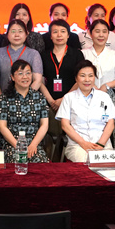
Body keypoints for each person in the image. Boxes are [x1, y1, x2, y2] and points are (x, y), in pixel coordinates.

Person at [57, 60, 115, 163]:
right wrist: (83, 143)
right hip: (78, 145)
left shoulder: (104, 97)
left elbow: (110, 123)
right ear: (76, 78)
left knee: (107, 165)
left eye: (90, 76)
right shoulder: (68, 98)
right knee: (85, 162)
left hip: (102, 144)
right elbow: (65, 125)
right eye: (82, 76)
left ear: (95, 78)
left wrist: (100, 144)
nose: (87, 80)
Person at [39, 19, 84, 160]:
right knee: (51, 138)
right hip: (49, 103)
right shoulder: (44, 55)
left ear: (68, 35)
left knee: (69, 138)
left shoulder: (77, 54)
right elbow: (39, 80)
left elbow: (80, 79)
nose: (59, 35)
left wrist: (64, 99)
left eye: (63, 31)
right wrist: (51, 100)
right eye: (55, 32)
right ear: (50, 36)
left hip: (71, 101)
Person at [0, 60, 49, 163]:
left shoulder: (39, 97)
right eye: (20, 73)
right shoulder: (4, 98)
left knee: (42, 164)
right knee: (17, 163)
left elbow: (44, 125)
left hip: (34, 144)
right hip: (12, 144)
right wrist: (18, 146)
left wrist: (33, 145)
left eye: (28, 73)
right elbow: (2, 126)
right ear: (12, 77)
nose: (25, 77)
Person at [81, 20, 115, 126]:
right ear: (90, 34)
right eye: (97, 31)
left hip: (107, 97)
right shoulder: (83, 54)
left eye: (104, 31)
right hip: (86, 96)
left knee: (108, 127)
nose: (101, 35)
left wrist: (106, 86)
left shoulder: (114, 54)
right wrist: (92, 86)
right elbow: (78, 76)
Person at [0, 19, 43, 98]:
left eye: (20, 31)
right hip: (4, 100)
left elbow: (38, 80)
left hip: (27, 101)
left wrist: (24, 99)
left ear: (26, 34)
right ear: (7, 34)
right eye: (13, 31)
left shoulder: (33, 54)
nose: (16, 35)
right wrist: (2, 99)